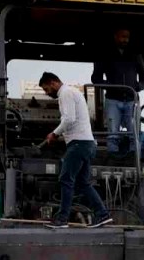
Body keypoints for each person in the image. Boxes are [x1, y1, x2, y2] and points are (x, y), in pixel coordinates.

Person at [40, 72, 113, 229]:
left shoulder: (65, 93)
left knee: (66, 179)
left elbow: (69, 119)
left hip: (79, 144)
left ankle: (62, 219)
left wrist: (54, 134)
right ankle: (102, 214)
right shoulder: (72, 92)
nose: (47, 93)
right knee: (82, 183)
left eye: (46, 89)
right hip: (87, 144)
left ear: (53, 83)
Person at [92, 28, 144, 158]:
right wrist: (110, 86)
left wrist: (138, 87)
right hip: (112, 99)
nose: (125, 40)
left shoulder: (135, 54)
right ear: (115, 37)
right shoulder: (105, 54)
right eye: (122, 37)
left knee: (133, 129)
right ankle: (113, 153)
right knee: (112, 130)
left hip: (131, 99)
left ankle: (134, 153)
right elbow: (96, 78)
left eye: (127, 37)